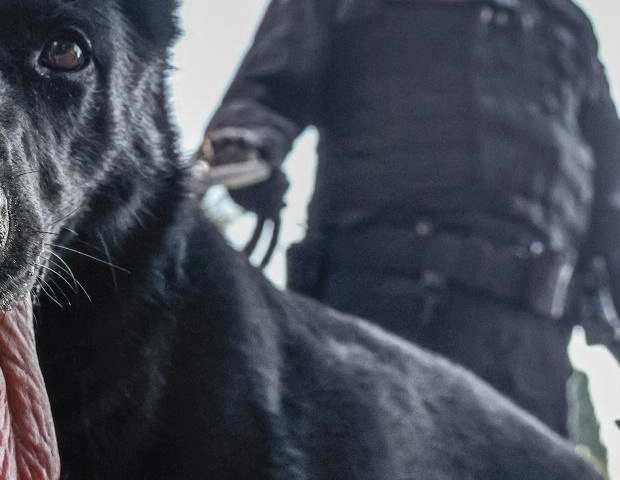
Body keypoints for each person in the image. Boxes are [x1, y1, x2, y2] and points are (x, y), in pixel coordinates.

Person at [200, 0, 620, 436]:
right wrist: (245, 143)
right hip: (371, 313)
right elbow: (270, 86)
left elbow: (612, 189)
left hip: (528, 346)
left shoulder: (566, 23)